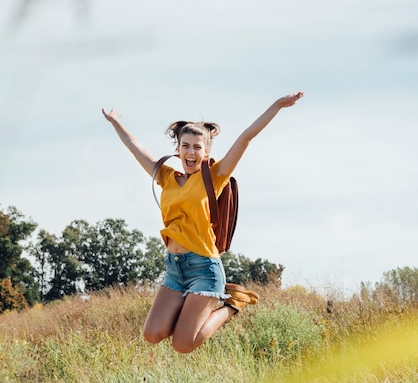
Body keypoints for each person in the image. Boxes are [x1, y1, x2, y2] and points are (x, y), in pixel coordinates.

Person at [102, 92, 304, 353]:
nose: (191, 152)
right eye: (185, 146)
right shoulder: (166, 176)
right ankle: (192, 309)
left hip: (204, 269)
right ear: (177, 149)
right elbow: (134, 146)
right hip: (174, 269)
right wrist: (115, 122)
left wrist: (276, 105)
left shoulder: (215, 176)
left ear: (206, 152)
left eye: (197, 147)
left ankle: (232, 305)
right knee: (152, 334)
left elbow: (246, 138)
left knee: (183, 345)